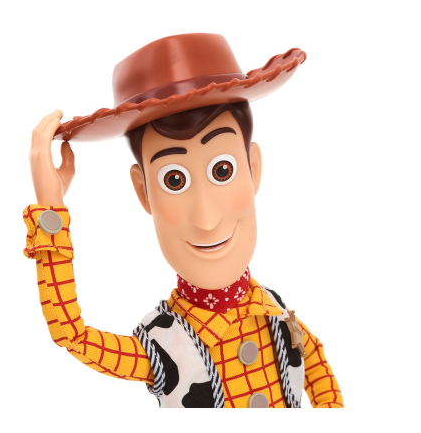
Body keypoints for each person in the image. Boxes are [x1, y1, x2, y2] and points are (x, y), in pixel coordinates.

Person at [23, 33, 343, 408]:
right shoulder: (163, 346)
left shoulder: (276, 311)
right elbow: (72, 335)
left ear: (253, 168)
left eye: (222, 170)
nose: (206, 219)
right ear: (143, 193)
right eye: (174, 180)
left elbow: (320, 375)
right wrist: (50, 211)